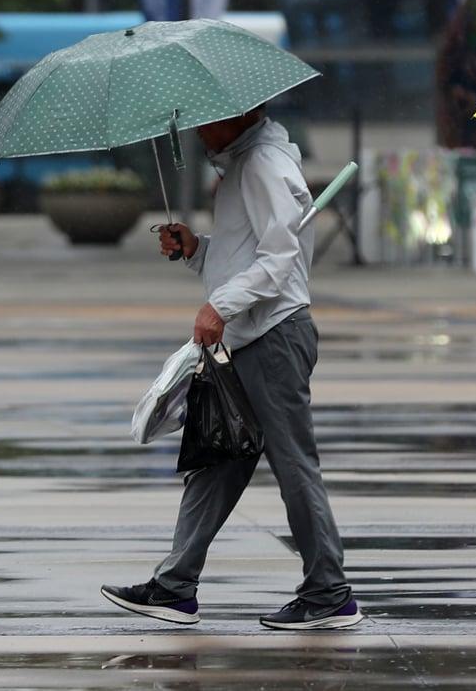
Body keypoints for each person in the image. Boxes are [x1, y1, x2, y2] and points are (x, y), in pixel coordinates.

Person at [100, 107, 362, 630]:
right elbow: (248, 254)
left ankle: (329, 593)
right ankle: (175, 586)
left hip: (272, 337)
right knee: (217, 458)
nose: (197, 131)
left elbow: (279, 257)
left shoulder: (263, 163)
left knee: (293, 466)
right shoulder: (244, 164)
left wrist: (219, 306)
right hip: (250, 336)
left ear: (241, 115)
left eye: (204, 120)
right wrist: (197, 249)